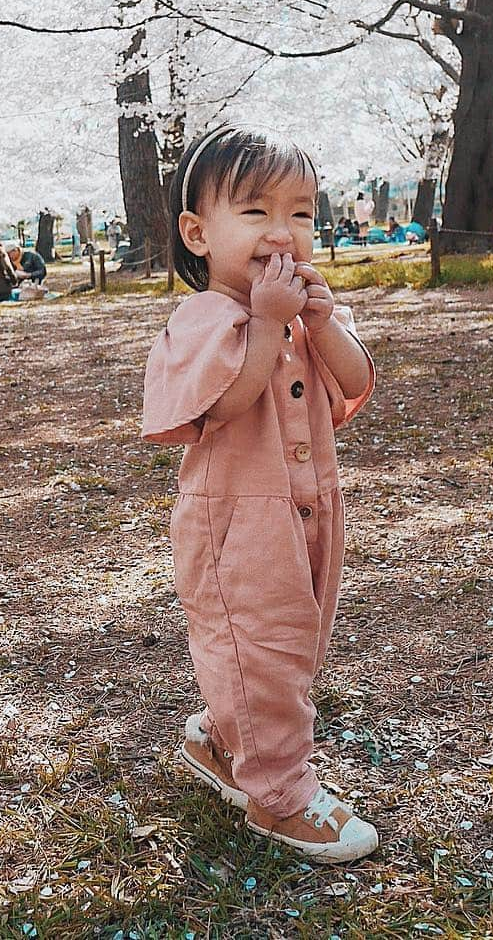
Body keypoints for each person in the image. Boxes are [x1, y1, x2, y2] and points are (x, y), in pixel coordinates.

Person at [141, 126, 377, 864]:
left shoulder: (303, 312)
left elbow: (358, 381)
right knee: (262, 646)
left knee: (294, 646)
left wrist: (318, 320)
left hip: (310, 509)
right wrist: (270, 325)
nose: (283, 233)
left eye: (301, 214)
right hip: (237, 525)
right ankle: (279, 796)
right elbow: (227, 405)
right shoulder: (203, 321)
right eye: (255, 213)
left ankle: (223, 733)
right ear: (198, 233)